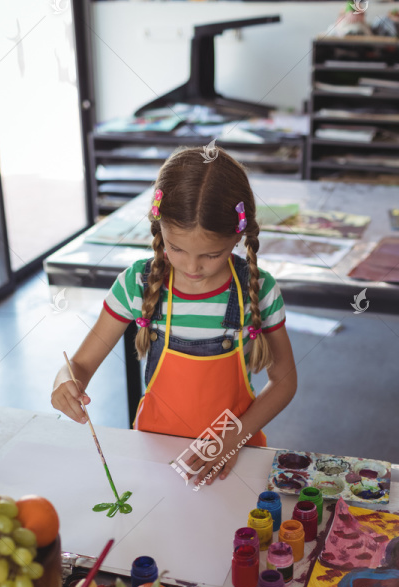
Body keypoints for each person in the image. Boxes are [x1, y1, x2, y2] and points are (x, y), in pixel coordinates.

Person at [52, 147, 297, 486]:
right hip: (155, 458)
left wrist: (231, 438)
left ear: (238, 237)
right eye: (176, 248)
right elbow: (78, 366)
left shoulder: (258, 289)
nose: (192, 267)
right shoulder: (136, 285)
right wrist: (64, 382)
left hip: (235, 461)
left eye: (211, 255)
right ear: (159, 226)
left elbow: (284, 380)